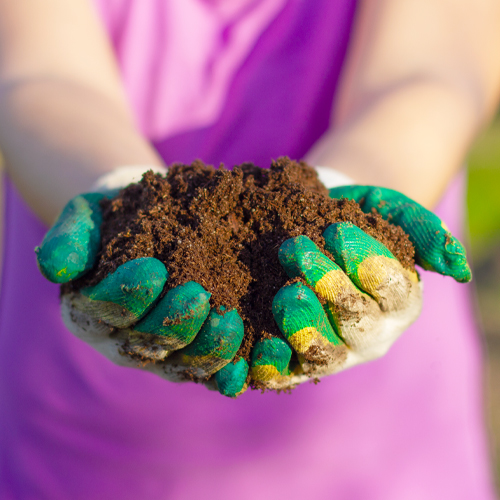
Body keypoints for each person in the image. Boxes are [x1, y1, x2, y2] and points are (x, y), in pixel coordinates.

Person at [0, 0, 499, 498]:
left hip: (384, 458)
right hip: (77, 455)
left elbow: (430, 70)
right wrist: (121, 201)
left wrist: (346, 192)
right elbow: (42, 74)